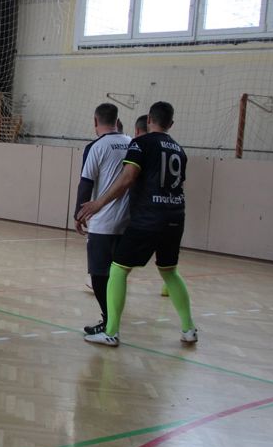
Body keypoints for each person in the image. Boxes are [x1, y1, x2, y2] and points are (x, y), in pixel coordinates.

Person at [77, 101, 197, 347]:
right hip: (176, 217)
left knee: (118, 270)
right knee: (169, 271)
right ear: (171, 123)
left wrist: (99, 203)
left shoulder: (141, 143)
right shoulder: (179, 149)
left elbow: (128, 178)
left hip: (148, 218)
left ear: (149, 119)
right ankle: (189, 329)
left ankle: (111, 332)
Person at [75, 104, 132, 335]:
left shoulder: (96, 146)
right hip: (128, 222)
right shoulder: (132, 143)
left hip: (104, 222)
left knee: (98, 275)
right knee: (117, 275)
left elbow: (86, 182)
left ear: (95, 121)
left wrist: (78, 214)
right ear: (117, 121)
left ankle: (109, 324)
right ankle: (113, 322)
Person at [135, 114, 170, 297]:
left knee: (120, 264)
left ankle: (111, 319)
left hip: (146, 213)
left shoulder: (141, 145)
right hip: (171, 210)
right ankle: (168, 285)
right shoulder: (174, 147)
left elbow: (127, 179)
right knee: (168, 264)